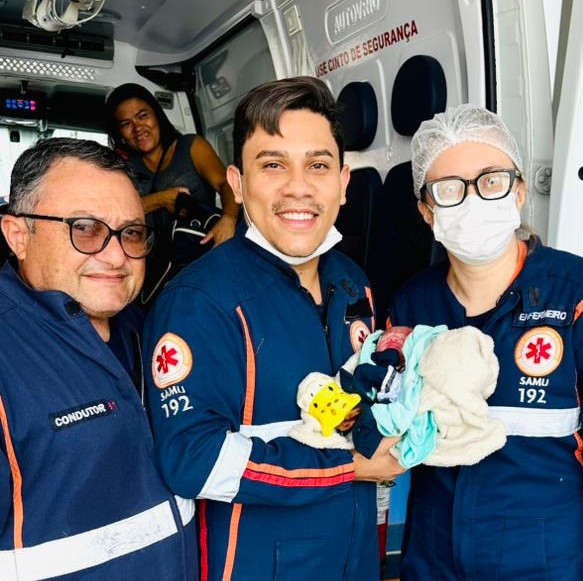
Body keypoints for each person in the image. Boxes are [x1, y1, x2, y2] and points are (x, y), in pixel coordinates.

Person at [388, 104, 583, 581]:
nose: (473, 199)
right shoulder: (413, 305)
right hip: (432, 558)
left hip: (543, 559)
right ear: (427, 210)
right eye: (449, 188)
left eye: (491, 180)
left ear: (518, 191)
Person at [142, 76, 403, 581]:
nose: (298, 187)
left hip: (353, 557)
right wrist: (347, 467)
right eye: (273, 165)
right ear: (238, 184)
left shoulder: (354, 283)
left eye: (318, 165)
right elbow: (192, 459)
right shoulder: (199, 301)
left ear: (343, 183)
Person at [0, 138, 197, 580]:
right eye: (86, 228)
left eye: (132, 233)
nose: (115, 256)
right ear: (18, 235)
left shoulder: (150, 331)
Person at [105, 83, 240, 300]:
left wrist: (229, 218)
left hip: (199, 262)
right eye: (126, 123)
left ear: (157, 115)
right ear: (119, 133)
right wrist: (160, 199)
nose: (137, 127)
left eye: (142, 116)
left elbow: (226, 184)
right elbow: (113, 215)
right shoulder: (122, 168)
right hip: (149, 274)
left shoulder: (190, 146)